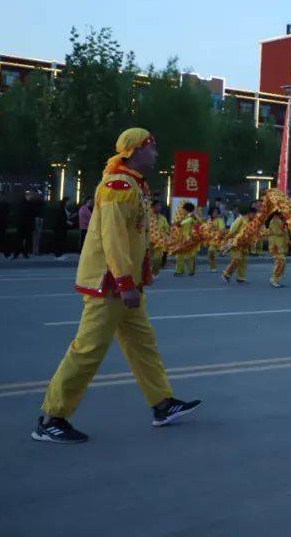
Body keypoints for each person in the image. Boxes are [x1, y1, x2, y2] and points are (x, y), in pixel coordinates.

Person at [31, 128, 201, 444]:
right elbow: (114, 239)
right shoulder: (117, 186)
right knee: (88, 350)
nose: (156, 154)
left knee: (142, 344)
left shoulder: (132, 184)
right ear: (136, 151)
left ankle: (162, 404)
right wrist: (125, 282)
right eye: (152, 149)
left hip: (124, 284)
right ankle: (51, 418)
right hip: (108, 284)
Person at [222, 206, 250, 284]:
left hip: (244, 243)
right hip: (236, 242)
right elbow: (232, 230)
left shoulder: (249, 220)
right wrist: (229, 241)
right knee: (236, 259)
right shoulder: (240, 219)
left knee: (243, 260)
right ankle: (226, 274)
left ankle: (241, 277)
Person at [174, 201, 199, 276]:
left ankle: (187, 270)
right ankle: (182, 270)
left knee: (189, 255)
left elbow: (196, 225)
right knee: (181, 254)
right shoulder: (186, 217)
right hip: (184, 238)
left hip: (190, 238)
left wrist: (179, 223)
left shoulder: (191, 217)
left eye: (183, 210)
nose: (182, 211)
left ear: (186, 210)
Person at [267, 211, 289, 288]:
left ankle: (276, 279)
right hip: (275, 246)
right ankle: (274, 279)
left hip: (279, 245)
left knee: (282, 262)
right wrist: (284, 225)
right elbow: (279, 232)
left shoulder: (279, 220)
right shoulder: (274, 221)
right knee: (280, 262)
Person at [149, 200, 169, 276]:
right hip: (148, 241)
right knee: (148, 259)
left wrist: (164, 235)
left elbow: (166, 228)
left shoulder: (162, 218)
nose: (159, 208)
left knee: (158, 259)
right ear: (152, 207)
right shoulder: (147, 217)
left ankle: (154, 274)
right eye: (158, 206)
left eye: (160, 206)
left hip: (159, 241)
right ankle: (147, 275)